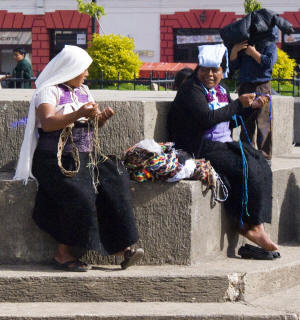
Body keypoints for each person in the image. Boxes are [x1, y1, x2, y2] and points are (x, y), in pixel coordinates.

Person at [14, 45, 144, 272]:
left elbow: (91, 125)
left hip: (86, 155)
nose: (86, 74)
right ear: (70, 69)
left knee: (116, 181)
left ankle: (122, 248)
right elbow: (48, 122)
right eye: (83, 69)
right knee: (81, 192)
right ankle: (63, 254)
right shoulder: (48, 91)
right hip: (55, 159)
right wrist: (79, 113)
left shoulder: (83, 90)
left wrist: (100, 119)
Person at [168, 43, 278, 252]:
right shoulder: (191, 90)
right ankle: (249, 225)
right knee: (244, 168)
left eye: (215, 70)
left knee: (260, 163)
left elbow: (230, 121)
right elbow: (207, 118)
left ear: (223, 71)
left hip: (222, 143)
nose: (210, 75)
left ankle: (257, 223)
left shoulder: (221, 90)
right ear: (197, 69)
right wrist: (238, 104)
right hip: (200, 147)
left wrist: (251, 109)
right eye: (204, 69)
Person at [229, 38, 277, 161]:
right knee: (246, 122)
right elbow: (233, 67)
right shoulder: (243, 44)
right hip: (245, 86)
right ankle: (247, 155)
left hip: (262, 86)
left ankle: (265, 158)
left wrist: (253, 52)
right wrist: (234, 51)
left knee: (264, 123)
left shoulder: (269, 44)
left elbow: (269, 63)